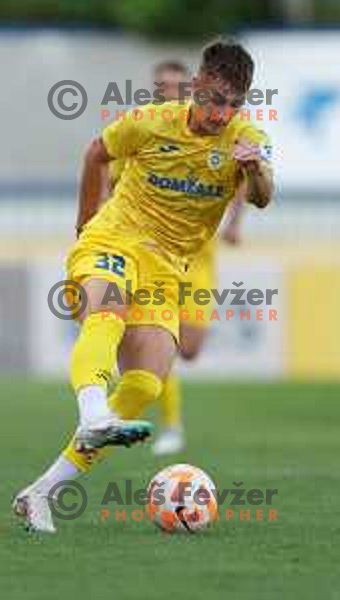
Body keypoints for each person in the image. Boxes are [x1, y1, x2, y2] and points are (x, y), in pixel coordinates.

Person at [14, 39, 274, 532]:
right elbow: (96, 154)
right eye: (215, 98)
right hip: (115, 239)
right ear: (197, 86)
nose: (222, 113)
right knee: (106, 312)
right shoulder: (151, 121)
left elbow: (262, 197)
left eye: (234, 103)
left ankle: (42, 492)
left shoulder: (247, 137)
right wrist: (84, 224)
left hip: (166, 267)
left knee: (145, 382)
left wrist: (254, 166)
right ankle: (92, 411)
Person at [106, 59, 248, 456]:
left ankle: (136, 403)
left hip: (198, 257)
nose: (166, 90)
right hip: (149, 256)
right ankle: (168, 425)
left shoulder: (218, 133)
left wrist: (236, 224)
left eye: (175, 84)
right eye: (160, 85)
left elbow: (243, 179)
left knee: (189, 349)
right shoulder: (144, 128)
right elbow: (108, 171)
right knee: (158, 333)